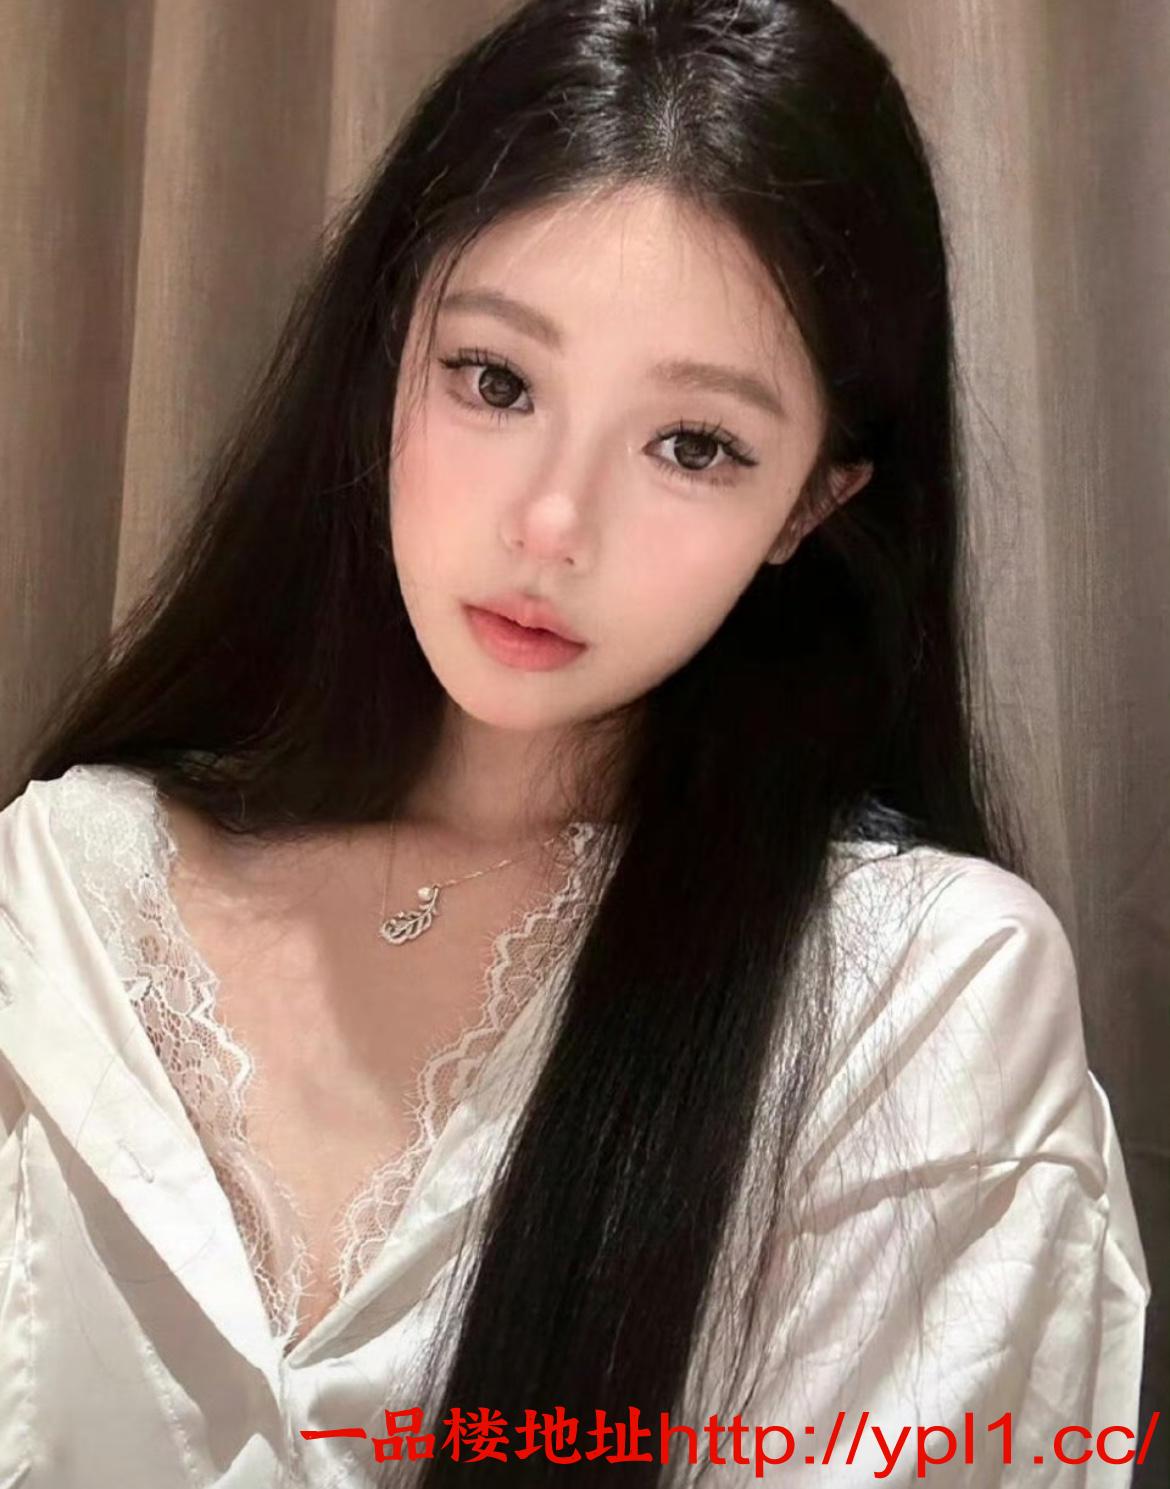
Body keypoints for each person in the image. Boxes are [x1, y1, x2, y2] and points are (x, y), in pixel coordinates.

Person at [0, 0, 1150, 1484]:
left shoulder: (914, 996)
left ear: (810, 502)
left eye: (694, 445)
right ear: (390, 349)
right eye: (495, 380)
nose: (552, 526)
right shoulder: (66, 890)